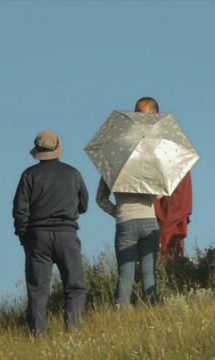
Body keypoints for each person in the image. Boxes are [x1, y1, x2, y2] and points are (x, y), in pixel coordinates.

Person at [13, 130, 88, 336]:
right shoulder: (73, 173)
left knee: (38, 289)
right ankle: (72, 330)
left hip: (37, 236)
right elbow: (84, 205)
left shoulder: (29, 175)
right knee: (75, 286)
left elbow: (20, 209)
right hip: (66, 233)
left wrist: (23, 235)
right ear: (58, 148)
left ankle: (39, 335)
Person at [97, 99, 161, 306]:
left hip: (125, 221)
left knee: (125, 273)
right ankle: (152, 309)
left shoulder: (113, 160)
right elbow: (159, 195)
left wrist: (117, 211)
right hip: (149, 220)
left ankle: (121, 314)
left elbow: (101, 198)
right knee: (148, 271)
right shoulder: (152, 160)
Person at [134, 97, 193, 260]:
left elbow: (179, 168)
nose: (137, 115)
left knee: (168, 248)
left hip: (169, 199)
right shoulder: (135, 140)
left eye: (140, 111)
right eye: (136, 111)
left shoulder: (168, 137)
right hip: (144, 205)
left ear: (154, 112)